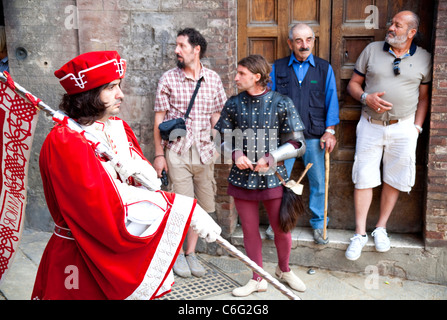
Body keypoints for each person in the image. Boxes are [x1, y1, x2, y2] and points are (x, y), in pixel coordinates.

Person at [31, 51, 221, 300]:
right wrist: (185, 210)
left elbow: (149, 184)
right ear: (88, 94)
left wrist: (140, 170)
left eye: (119, 86)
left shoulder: (117, 127)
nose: (121, 94)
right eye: (111, 88)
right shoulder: (66, 141)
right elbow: (107, 203)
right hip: (80, 256)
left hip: (111, 252)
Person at [215, 54, 307, 297]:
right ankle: (258, 278)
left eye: (241, 73)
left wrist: (273, 157)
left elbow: (299, 144)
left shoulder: (281, 102)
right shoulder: (233, 104)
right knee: (249, 230)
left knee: (282, 229)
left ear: (257, 77)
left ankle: (284, 270)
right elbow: (219, 139)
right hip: (242, 178)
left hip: (273, 176)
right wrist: (235, 153)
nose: (235, 78)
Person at [345, 11, 432, 261]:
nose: (390, 27)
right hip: (370, 124)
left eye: (397, 25)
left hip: (404, 127)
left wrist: (416, 128)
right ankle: (360, 233)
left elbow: (424, 98)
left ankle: (380, 228)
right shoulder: (372, 50)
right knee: (363, 177)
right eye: (391, 23)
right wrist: (365, 97)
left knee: (394, 177)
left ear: (411, 32)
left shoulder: (425, 58)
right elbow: (353, 84)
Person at [153, 28, 227, 278]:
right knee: (181, 206)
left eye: (182, 46)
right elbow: (158, 120)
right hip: (177, 152)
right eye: (176, 45)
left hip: (204, 153)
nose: (176, 50)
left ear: (196, 50)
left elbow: (218, 115)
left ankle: (190, 252)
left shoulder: (213, 79)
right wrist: (158, 155)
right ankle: (175, 255)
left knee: (202, 207)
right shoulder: (169, 79)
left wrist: (217, 145)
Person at [269, 23, 339, 244]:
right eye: (298, 40)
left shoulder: (324, 68)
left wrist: (329, 131)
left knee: (318, 181)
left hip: (314, 136)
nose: (304, 45)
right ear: (290, 43)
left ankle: (319, 224)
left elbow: (331, 100)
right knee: (280, 181)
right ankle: (278, 224)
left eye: (308, 40)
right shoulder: (277, 68)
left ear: (313, 41)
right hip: (285, 137)